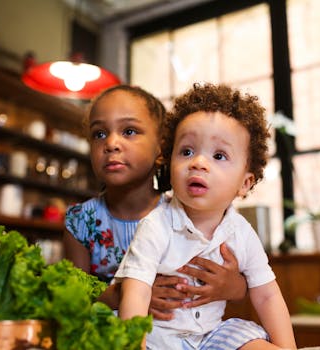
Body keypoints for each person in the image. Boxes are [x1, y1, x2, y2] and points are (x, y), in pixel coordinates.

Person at [116, 83, 297, 350]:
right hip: (159, 339)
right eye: (186, 151)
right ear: (169, 163)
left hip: (211, 337)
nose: (198, 162)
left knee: (253, 341)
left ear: (244, 184)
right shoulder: (157, 225)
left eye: (219, 155)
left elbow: (267, 294)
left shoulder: (241, 231)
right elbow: (137, 290)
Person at [63, 84, 248, 319]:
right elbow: (72, 299)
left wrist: (230, 286)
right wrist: (127, 295)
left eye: (129, 131)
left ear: (162, 147)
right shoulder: (80, 222)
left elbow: (245, 286)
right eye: (99, 134)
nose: (110, 143)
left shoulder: (187, 213)